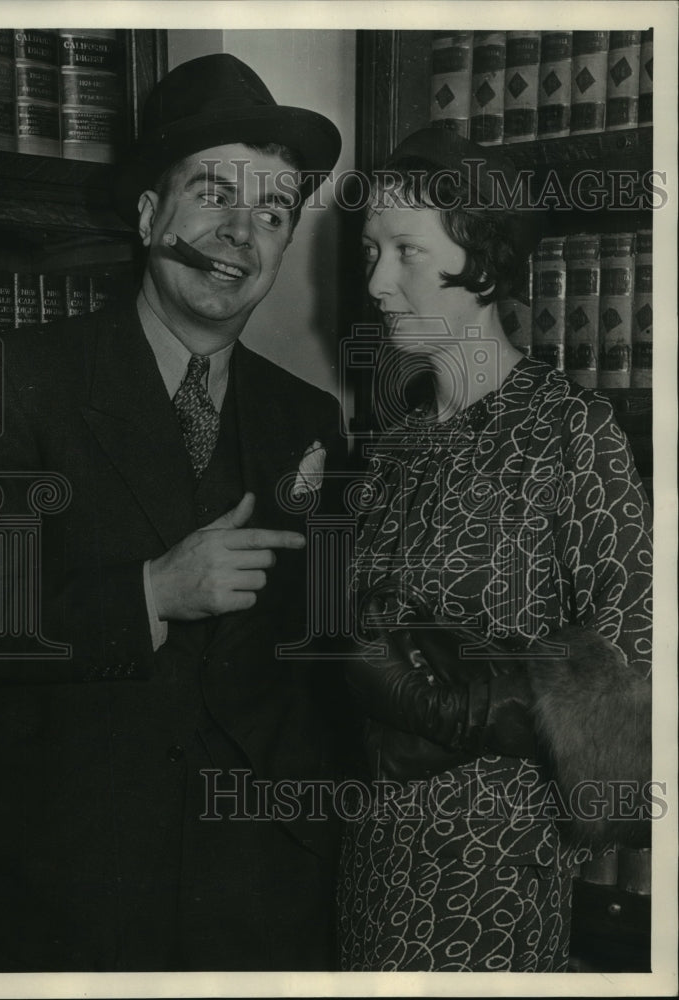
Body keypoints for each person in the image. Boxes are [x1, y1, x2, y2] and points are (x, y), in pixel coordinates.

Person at [0, 53, 349, 972]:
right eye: (214, 195)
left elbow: (321, 659)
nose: (240, 236)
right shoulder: (9, 379)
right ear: (147, 216)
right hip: (66, 891)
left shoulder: (307, 418)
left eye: (273, 214)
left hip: (260, 898)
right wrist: (150, 594)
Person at [336, 128, 652, 972]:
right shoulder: (392, 447)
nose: (376, 281)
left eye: (406, 251)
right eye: (371, 251)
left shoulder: (569, 432)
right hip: (373, 858)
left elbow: (634, 670)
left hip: (496, 869)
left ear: (482, 259)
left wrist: (477, 707)